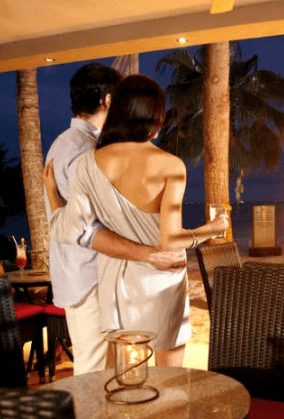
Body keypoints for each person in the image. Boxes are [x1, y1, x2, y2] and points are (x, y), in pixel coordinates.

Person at [44, 74, 227, 368]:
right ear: (156, 117)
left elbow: (71, 228)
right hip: (162, 281)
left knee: (126, 377)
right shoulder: (170, 165)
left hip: (117, 285)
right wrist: (209, 230)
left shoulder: (91, 161)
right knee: (169, 375)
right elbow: (170, 240)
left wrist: (53, 196)